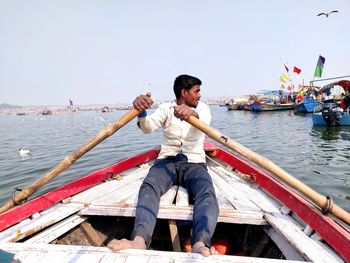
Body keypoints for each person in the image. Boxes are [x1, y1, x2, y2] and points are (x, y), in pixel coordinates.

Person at [108, 74, 219, 256]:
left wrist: (193, 114)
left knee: (206, 193)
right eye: (196, 91)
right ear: (184, 92)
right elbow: (148, 128)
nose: (200, 95)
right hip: (167, 161)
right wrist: (141, 111)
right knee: (149, 187)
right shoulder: (166, 108)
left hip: (194, 163)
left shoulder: (203, 109)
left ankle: (200, 243)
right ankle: (139, 240)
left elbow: (203, 123)